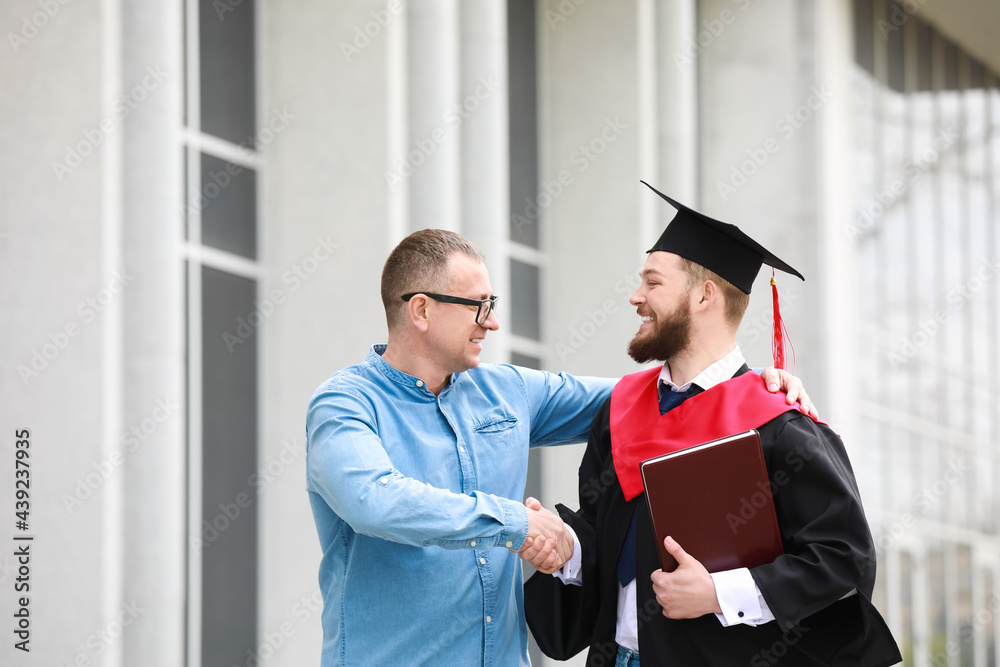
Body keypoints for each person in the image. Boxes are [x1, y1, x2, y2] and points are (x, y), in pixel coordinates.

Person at [305, 228, 814, 666]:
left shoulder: (505, 391)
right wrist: (517, 522)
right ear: (421, 309)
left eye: (493, 305)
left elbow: (654, 397)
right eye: (479, 306)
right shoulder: (345, 405)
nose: (493, 322)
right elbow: (376, 501)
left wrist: (751, 386)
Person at [523, 183, 902, 666]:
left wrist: (720, 594)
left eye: (653, 283)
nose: (636, 297)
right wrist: (567, 550)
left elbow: (843, 563)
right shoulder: (618, 413)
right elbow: (609, 543)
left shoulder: (779, 425)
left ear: (704, 296)